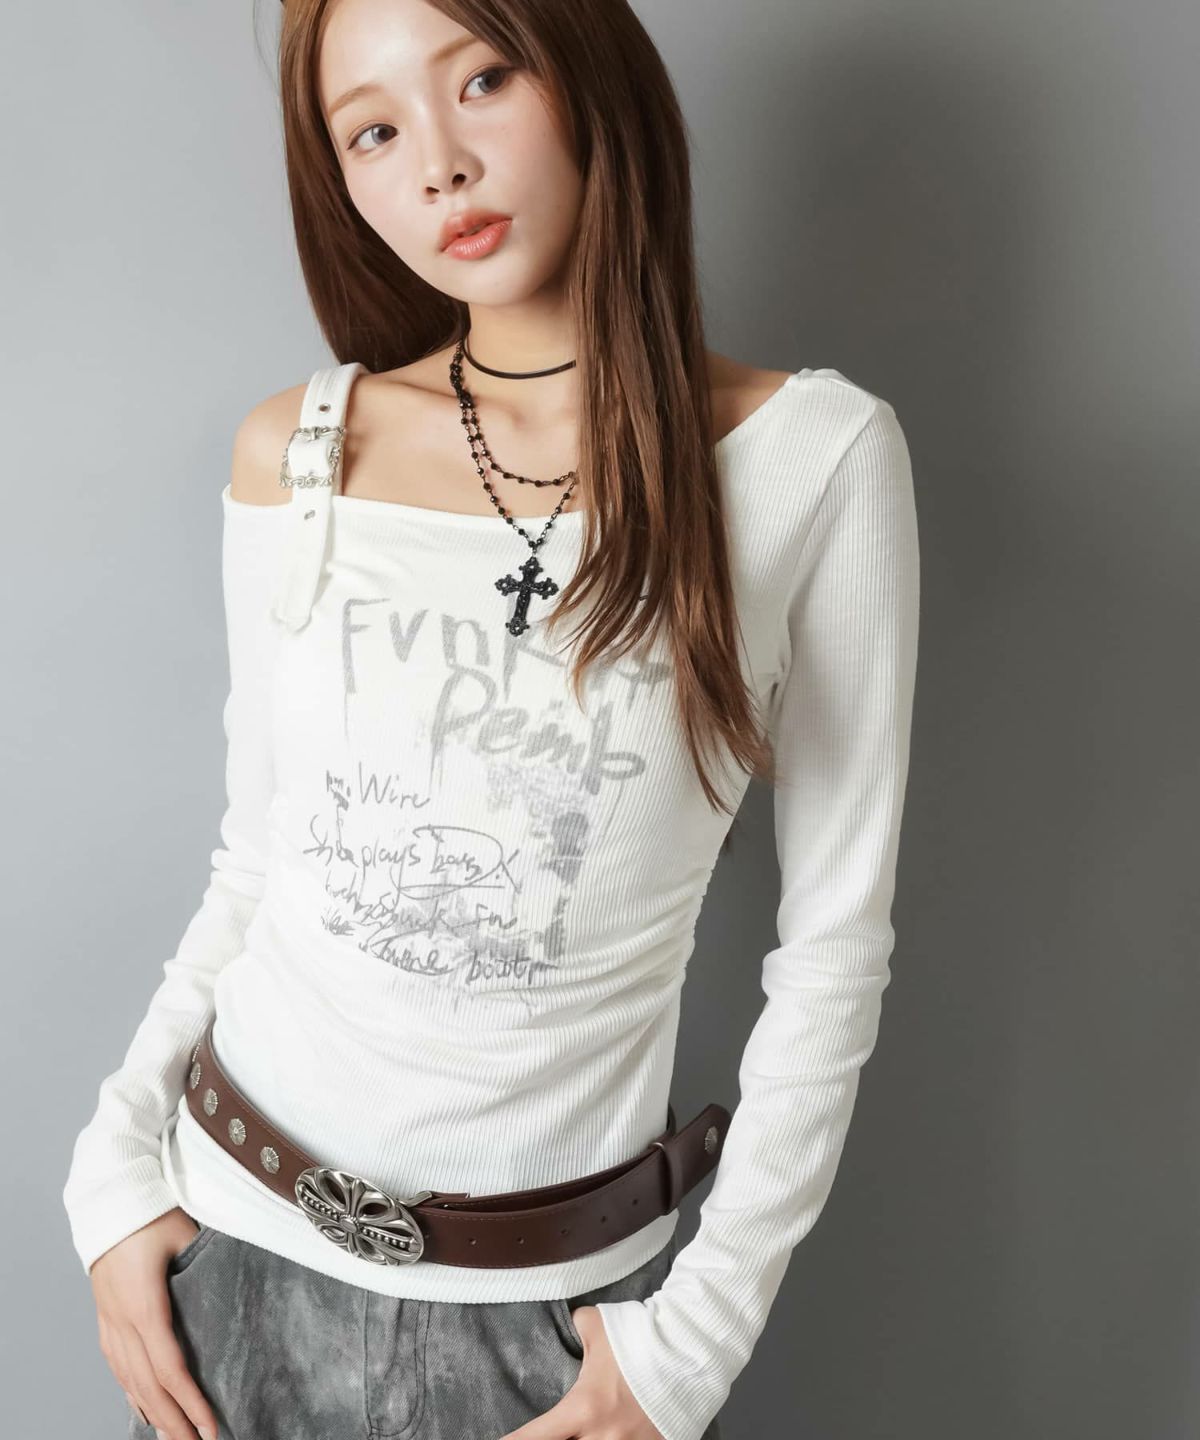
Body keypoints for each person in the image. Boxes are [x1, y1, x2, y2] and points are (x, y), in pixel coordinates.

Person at [61, 0, 921, 1437]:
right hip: (231, 1269)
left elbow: (836, 944)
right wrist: (110, 1171)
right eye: (373, 132)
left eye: (486, 79)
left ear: (585, 74)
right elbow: (260, 862)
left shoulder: (809, 461)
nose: (439, 165)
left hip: (553, 1336)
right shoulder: (301, 452)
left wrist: (691, 1345)